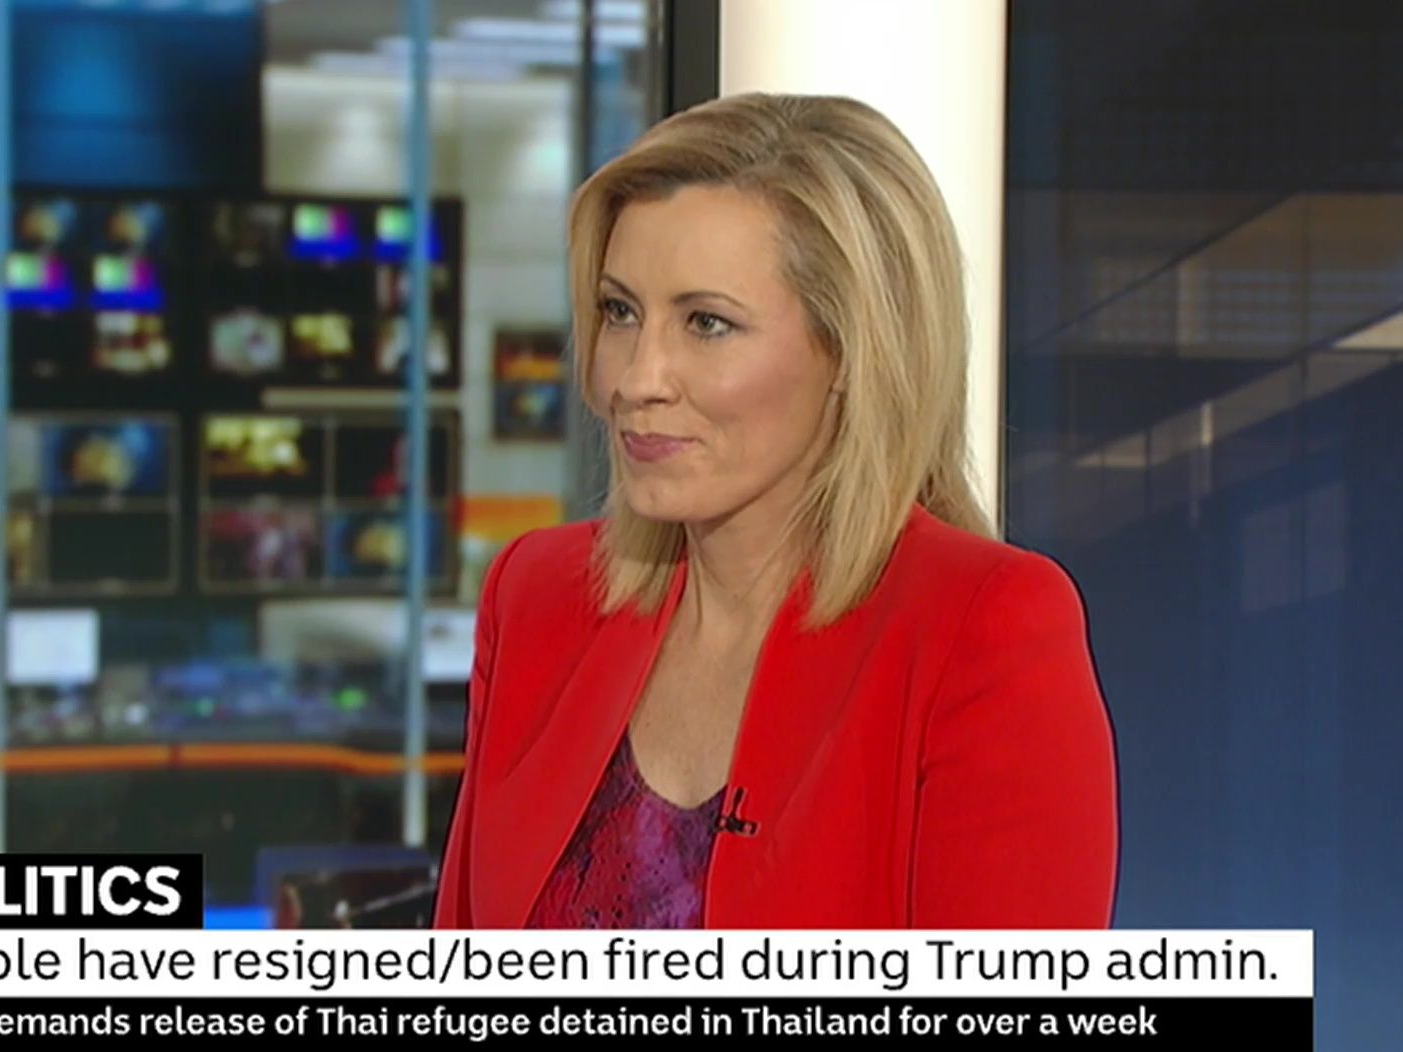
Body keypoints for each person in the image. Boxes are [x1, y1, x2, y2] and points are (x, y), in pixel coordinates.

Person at [433, 92, 1119, 930]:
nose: (636, 379)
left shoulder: (985, 630)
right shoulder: (534, 596)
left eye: (707, 323)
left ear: (852, 348)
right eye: (620, 312)